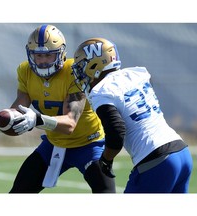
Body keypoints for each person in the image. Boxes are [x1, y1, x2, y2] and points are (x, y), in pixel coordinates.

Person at [0, 25, 116, 193]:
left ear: (61, 53)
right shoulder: (25, 71)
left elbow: (70, 123)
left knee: (107, 195)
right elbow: (20, 105)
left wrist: (36, 120)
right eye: (38, 55)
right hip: (53, 145)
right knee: (19, 193)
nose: (42, 61)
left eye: (48, 55)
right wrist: (6, 119)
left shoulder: (75, 71)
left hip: (89, 145)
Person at [71, 37, 193, 193]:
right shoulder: (136, 74)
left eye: (82, 66)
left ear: (95, 64)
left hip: (156, 160)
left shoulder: (101, 90)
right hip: (181, 151)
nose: (80, 73)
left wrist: (106, 160)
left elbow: (116, 132)